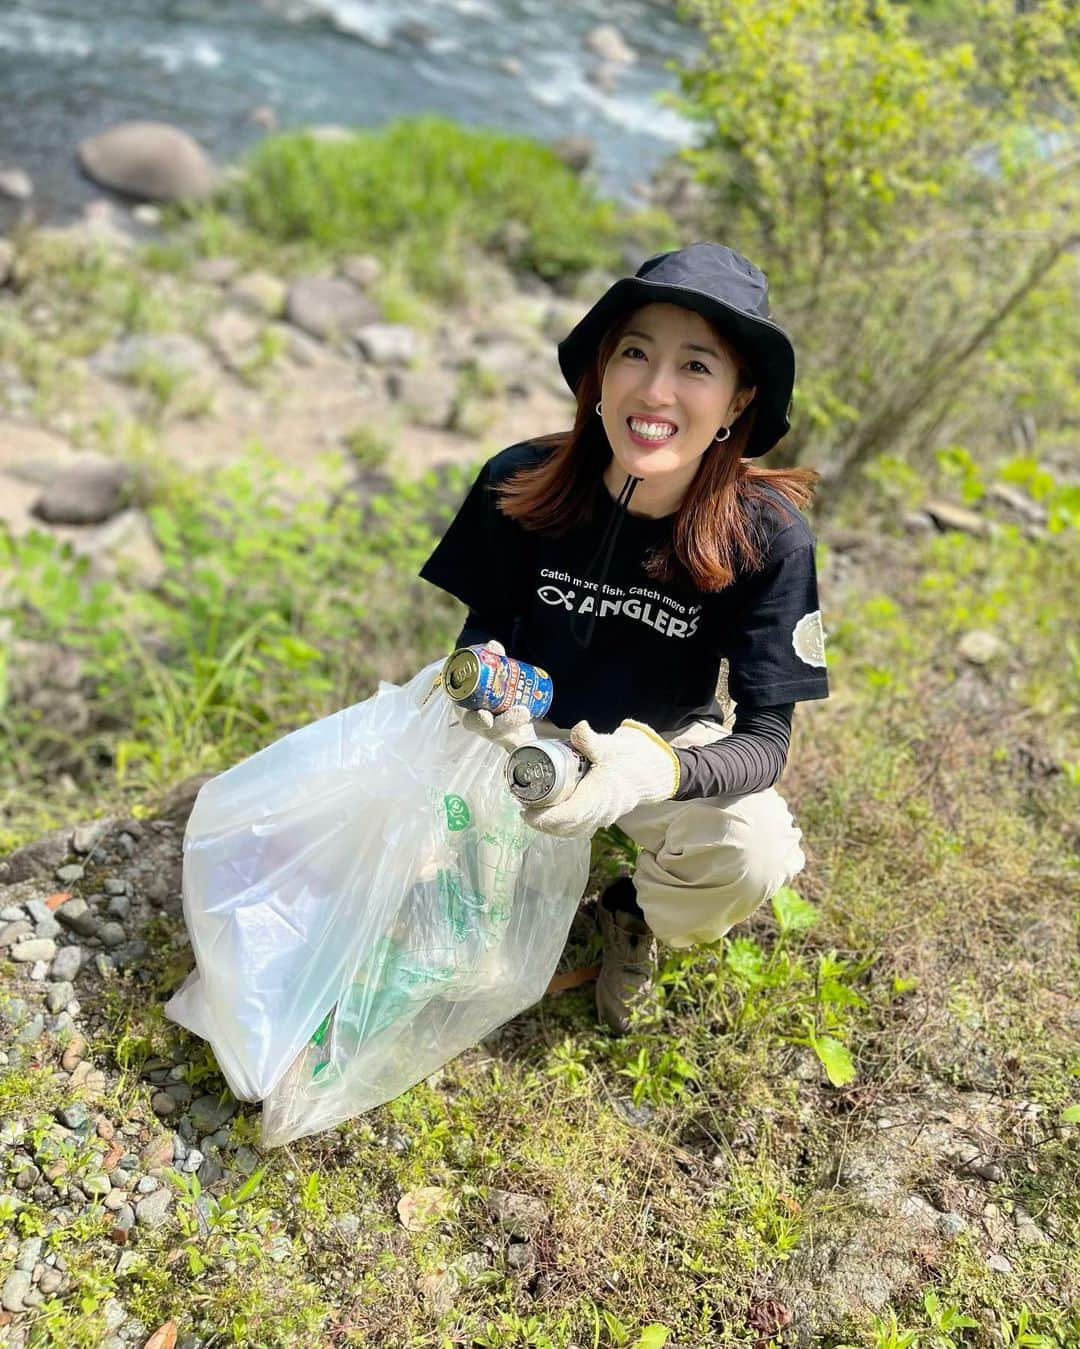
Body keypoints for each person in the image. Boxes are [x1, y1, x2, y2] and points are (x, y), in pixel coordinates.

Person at [419, 242, 829, 1033]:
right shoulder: (519, 478)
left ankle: (631, 909)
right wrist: (487, 675)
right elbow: (487, 624)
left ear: (739, 400)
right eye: (635, 352)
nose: (657, 388)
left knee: (755, 849)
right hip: (518, 729)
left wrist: (656, 769)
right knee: (399, 868)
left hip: (656, 741)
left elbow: (768, 739)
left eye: (697, 367)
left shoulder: (769, 538)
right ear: (600, 372)